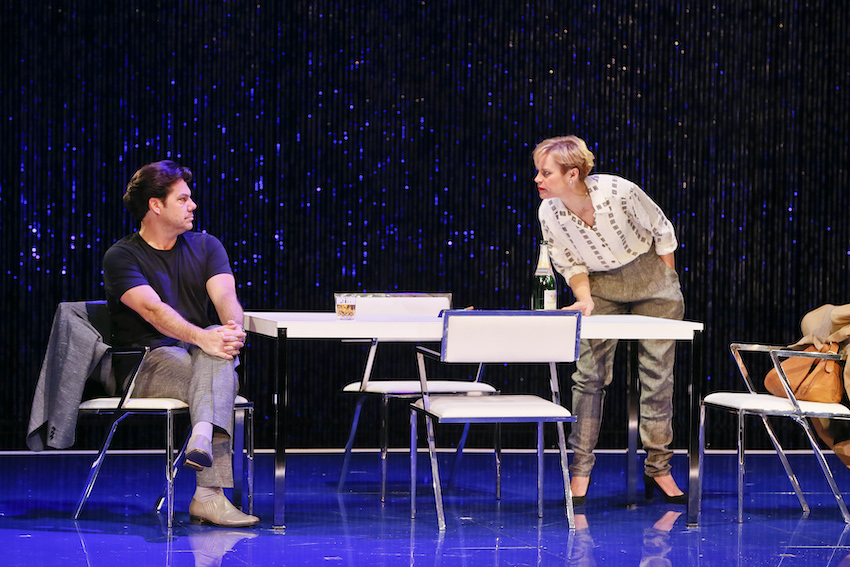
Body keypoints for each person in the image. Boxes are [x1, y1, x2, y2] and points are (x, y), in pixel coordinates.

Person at [102, 160, 259, 527]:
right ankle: (208, 495)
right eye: (183, 199)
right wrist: (206, 337)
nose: (193, 205)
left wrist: (231, 328)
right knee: (219, 368)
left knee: (217, 355)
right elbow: (153, 311)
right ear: (155, 205)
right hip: (145, 363)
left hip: (199, 356)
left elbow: (226, 297)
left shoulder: (207, 245)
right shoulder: (121, 256)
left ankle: (202, 436)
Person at [533, 135, 686, 505]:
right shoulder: (549, 212)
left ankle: (659, 468)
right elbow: (568, 261)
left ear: (572, 174)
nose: (537, 179)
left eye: (545, 172)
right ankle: (580, 470)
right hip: (599, 284)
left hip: (650, 277)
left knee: (657, 377)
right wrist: (584, 298)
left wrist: (666, 279)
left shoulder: (619, 192)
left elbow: (662, 231)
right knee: (589, 376)